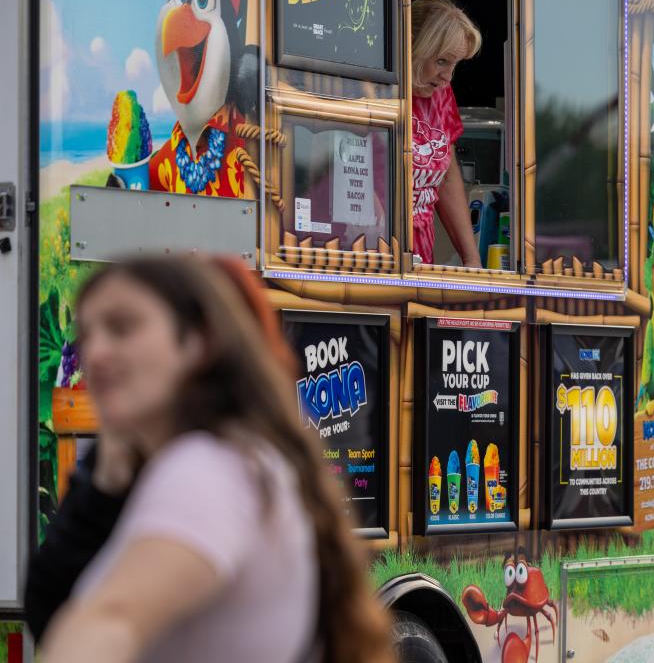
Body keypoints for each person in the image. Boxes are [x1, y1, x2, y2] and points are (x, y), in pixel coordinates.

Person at [38, 258, 393, 663]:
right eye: (87, 334)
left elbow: (111, 619)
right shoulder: (235, 456)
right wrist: (105, 479)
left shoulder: (204, 467)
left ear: (197, 342)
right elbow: (51, 605)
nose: (96, 352)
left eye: (122, 327)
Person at [410, 0, 483, 268]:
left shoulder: (441, 94)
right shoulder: (382, 92)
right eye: (441, 61)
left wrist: (471, 258)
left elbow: (448, 176)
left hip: (422, 259)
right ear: (413, 45)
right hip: (383, 258)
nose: (448, 77)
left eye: (455, 64)